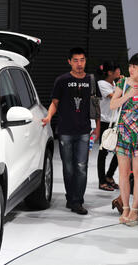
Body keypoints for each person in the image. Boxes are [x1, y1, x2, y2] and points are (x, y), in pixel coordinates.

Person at [42, 47, 101, 215]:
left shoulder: (91, 80)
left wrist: (97, 127)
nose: (79, 63)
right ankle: (70, 197)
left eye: (82, 60)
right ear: (69, 61)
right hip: (65, 130)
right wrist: (48, 117)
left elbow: (95, 106)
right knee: (68, 168)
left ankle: (77, 201)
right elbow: (55, 102)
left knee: (81, 166)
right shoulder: (62, 80)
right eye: (75, 60)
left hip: (84, 131)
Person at [110, 53, 138, 225]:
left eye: (135, 67)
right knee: (123, 172)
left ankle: (135, 210)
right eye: (130, 66)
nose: (131, 70)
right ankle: (126, 207)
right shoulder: (122, 82)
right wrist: (128, 95)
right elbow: (113, 104)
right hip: (123, 130)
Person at [96, 60, 121, 191]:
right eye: (117, 69)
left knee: (119, 151)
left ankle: (109, 176)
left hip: (115, 121)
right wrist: (123, 85)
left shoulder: (114, 83)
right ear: (110, 72)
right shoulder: (102, 84)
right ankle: (101, 181)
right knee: (103, 152)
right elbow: (115, 98)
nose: (119, 71)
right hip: (105, 121)